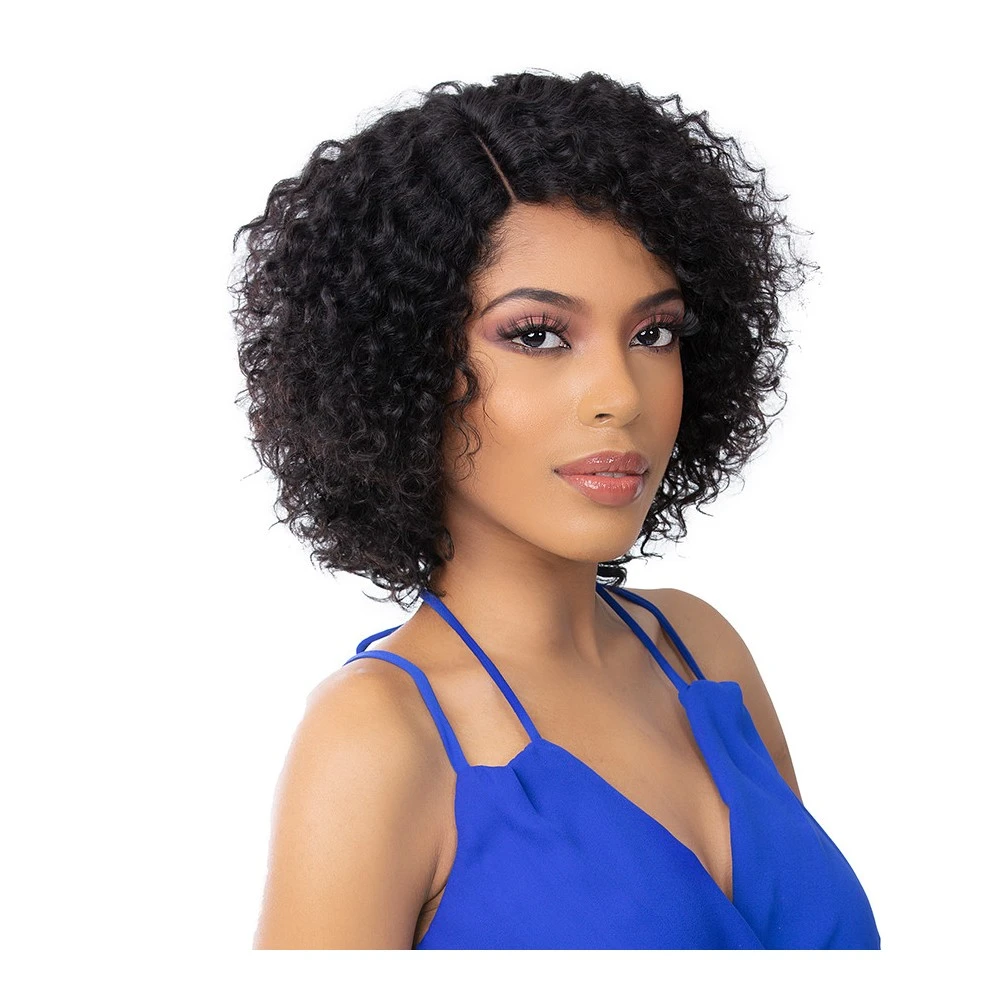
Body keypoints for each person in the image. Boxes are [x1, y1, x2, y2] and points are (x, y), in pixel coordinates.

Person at [230, 69, 881, 949]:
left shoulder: (700, 651)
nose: (621, 394)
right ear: (401, 365)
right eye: (537, 335)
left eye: (653, 333)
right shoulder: (379, 739)